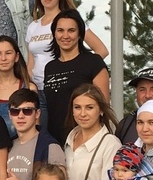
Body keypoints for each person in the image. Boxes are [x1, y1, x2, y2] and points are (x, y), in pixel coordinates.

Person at [27, 0, 108, 131]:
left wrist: (80, 69)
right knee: (46, 135)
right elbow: (31, 61)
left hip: (68, 88)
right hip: (40, 90)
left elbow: (101, 50)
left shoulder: (69, 20)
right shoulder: (33, 26)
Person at [43, 10, 110, 144]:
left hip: (86, 140)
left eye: (71, 30)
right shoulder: (50, 67)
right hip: (55, 140)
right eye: (60, 30)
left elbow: (103, 106)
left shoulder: (93, 62)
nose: (65, 36)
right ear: (54, 33)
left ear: (80, 34)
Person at [0, 35, 35, 137]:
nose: (3, 58)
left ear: (16, 57)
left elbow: (36, 127)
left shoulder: (29, 88)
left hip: (23, 144)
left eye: (8, 53)